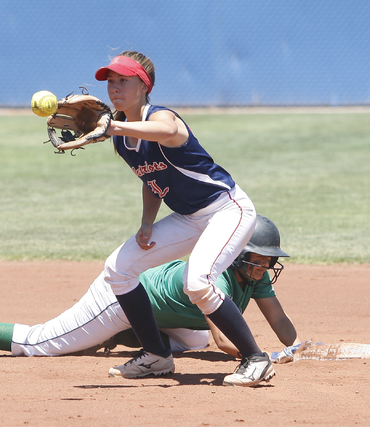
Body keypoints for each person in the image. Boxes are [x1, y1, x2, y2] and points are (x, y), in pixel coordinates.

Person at [58, 50, 270, 386]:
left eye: (123, 80)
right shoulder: (124, 140)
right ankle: (156, 354)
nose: (114, 87)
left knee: (198, 282)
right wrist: (146, 223)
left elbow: (166, 130)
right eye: (110, 81)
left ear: (143, 86)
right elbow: (151, 179)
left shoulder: (162, 118)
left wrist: (112, 126)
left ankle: (256, 359)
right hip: (189, 217)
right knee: (119, 268)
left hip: (227, 209)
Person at [0, 215, 302, 385]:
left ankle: (132, 336)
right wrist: (258, 353)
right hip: (121, 297)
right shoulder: (213, 276)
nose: (265, 264)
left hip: (161, 310)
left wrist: (286, 344)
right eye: (259, 257)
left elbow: (284, 328)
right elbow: (227, 342)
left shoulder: (255, 275)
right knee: (38, 342)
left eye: (270, 259)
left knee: (192, 340)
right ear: (236, 253)